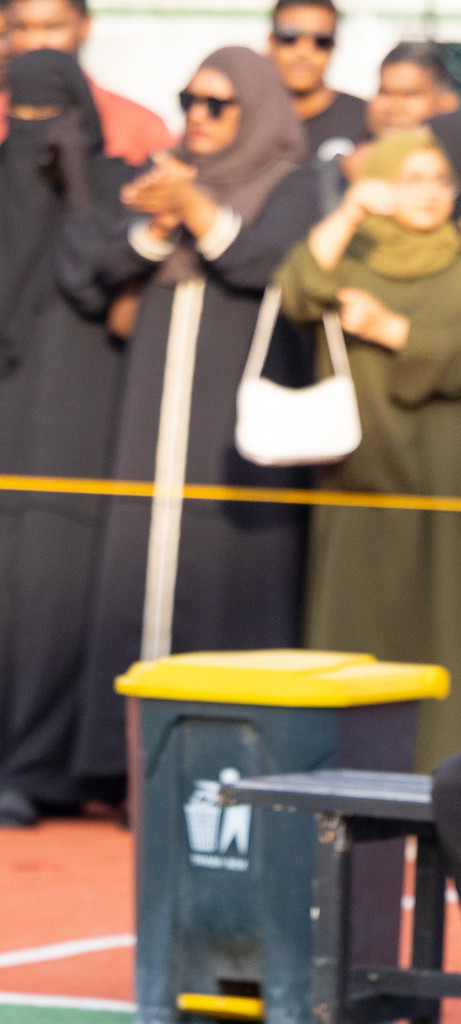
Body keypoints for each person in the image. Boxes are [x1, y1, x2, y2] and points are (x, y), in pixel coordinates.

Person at [65, 46, 320, 792]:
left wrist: (196, 212)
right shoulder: (167, 173)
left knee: (223, 573)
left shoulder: (292, 182)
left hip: (229, 410)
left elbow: (269, 263)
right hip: (153, 403)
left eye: (217, 104)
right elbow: (106, 263)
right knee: (137, 568)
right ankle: (123, 760)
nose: (198, 118)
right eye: (190, 100)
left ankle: (217, 760)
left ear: (256, 110)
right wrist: (156, 222)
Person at [275, 131, 461, 770]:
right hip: (360, 468)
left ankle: (448, 766)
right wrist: (353, 208)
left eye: (440, 180)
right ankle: (348, 767)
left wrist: (397, 332)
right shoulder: (353, 252)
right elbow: (300, 290)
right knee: (358, 611)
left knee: (447, 615)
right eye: (410, 179)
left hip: (445, 469)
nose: (429, 194)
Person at [0, 50, 134, 828]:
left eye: (52, 116)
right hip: (12, 418)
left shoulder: (112, 184)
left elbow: (94, 270)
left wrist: (80, 184)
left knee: (58, 590)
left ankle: (39, 766)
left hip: (80, 425)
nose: (36, 134)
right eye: (20, 115)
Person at [0, 0, 173, 163]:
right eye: (20, 28)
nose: (34, 43)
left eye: (52, 27)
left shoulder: (141, 128)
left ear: (85, 26)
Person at [269, 0, 369, 160]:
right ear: (271, 42)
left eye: (321, 41)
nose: (304, 52)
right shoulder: (243, 117)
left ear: (333, 47)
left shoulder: (364, 119)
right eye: (290, 38)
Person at [368, 40, 460, 139]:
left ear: (447, 103)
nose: (394, 108)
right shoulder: (353, 147)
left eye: (409, 95)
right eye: (384, 93)